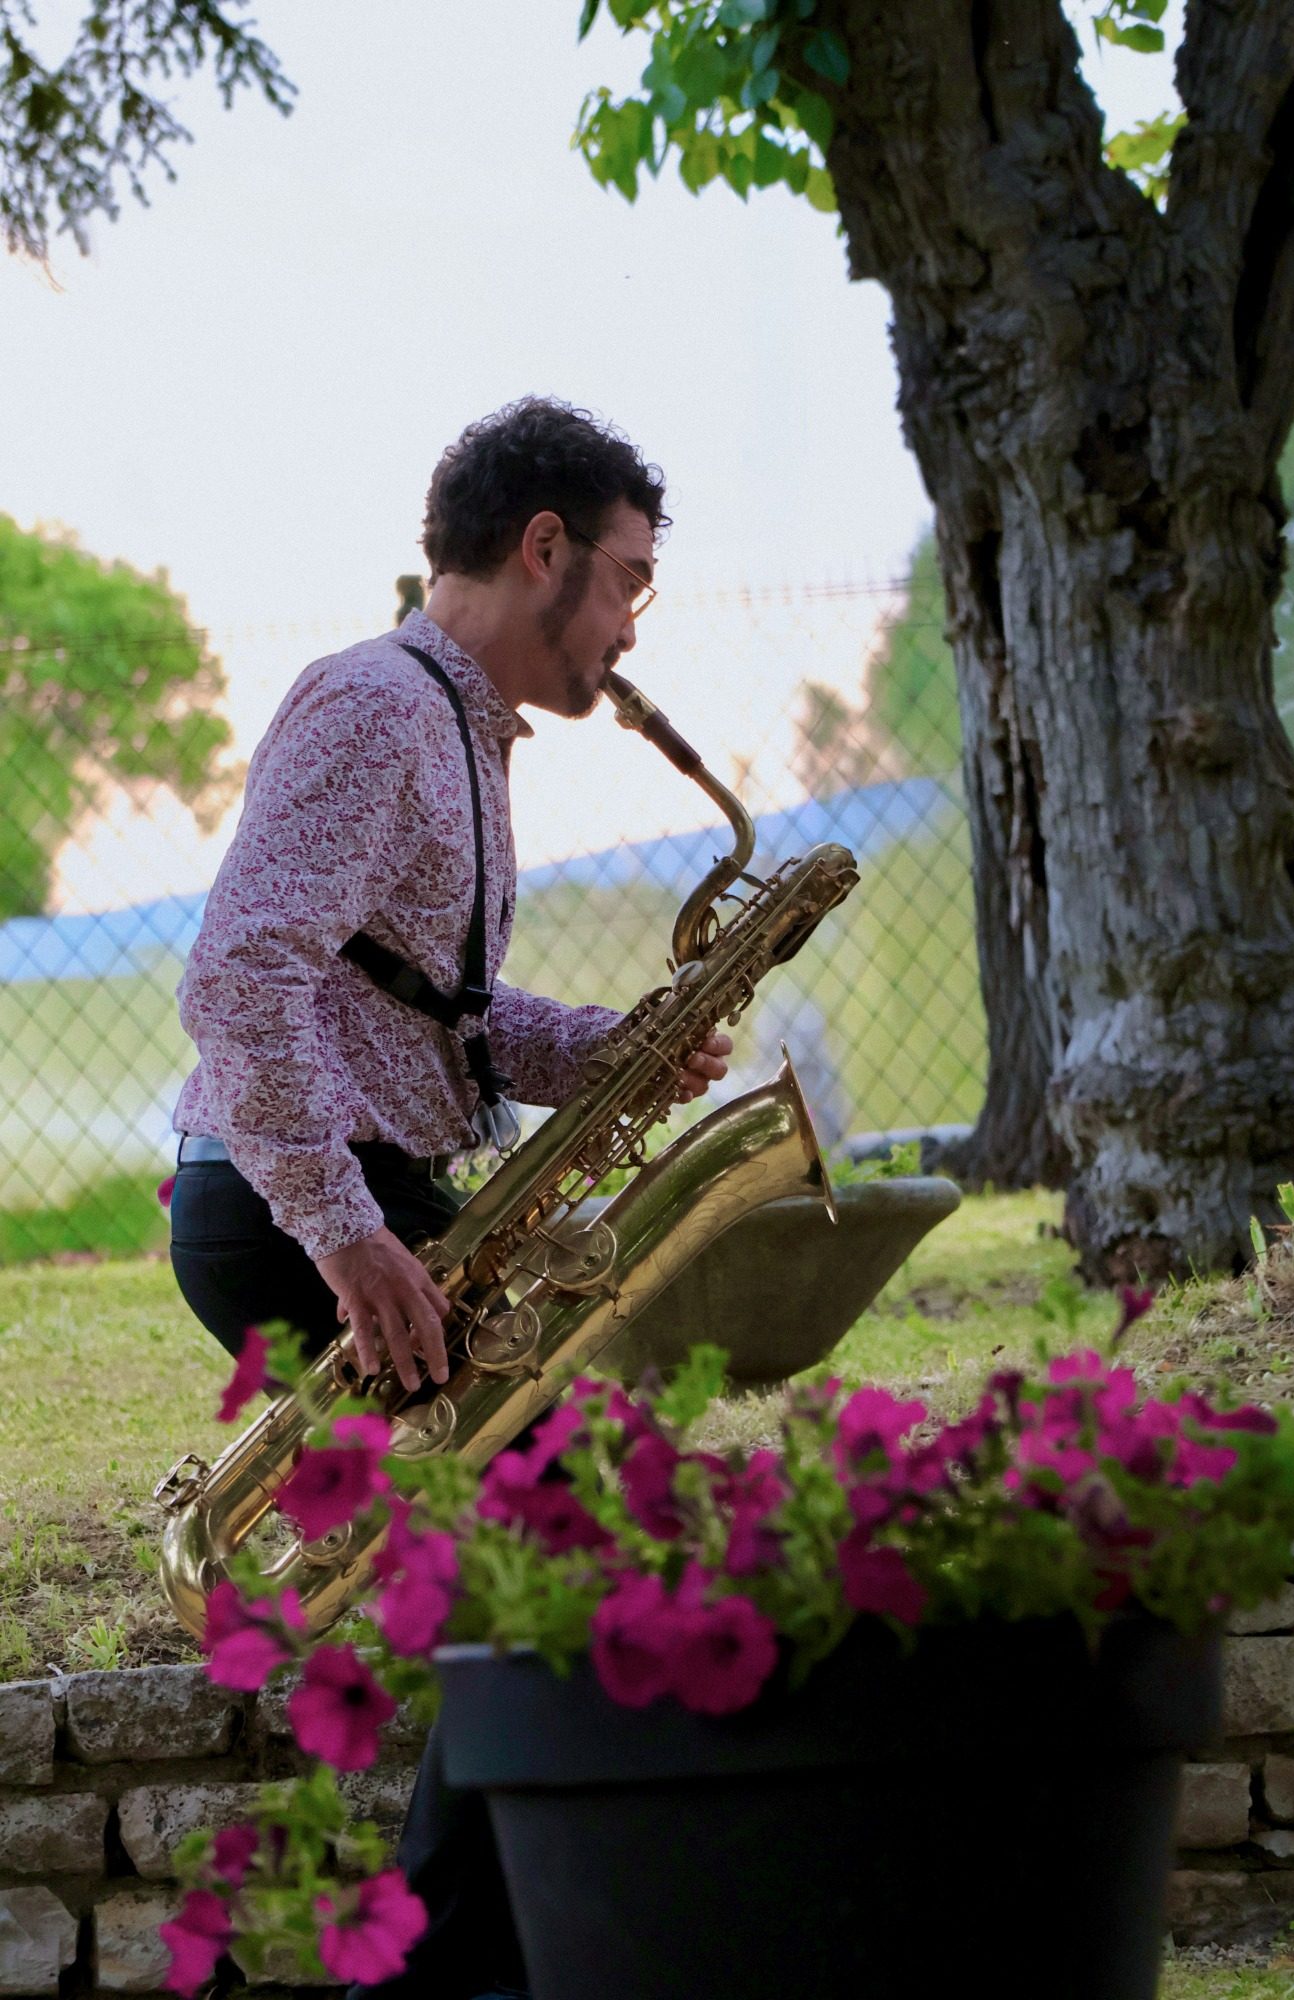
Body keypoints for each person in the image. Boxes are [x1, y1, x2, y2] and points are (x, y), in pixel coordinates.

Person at [167, 397, 732, 2000]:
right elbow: (242, 971)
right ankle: (451, 1972)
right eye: (622, 579)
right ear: (539, 547)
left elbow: (434, 1012)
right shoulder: (375, 706)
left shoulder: (457, 731)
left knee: (545, 1566)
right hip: (300, 1203)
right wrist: (344, 1232)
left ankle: (465, 1962)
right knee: (570, 1546)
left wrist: (613, 1046)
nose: (629, 626)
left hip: (349, 1185)